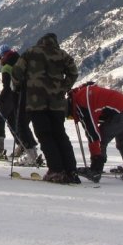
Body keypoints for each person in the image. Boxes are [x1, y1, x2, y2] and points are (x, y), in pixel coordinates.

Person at [12, 32, 80, 184]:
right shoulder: (62, 55)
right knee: (60, 135)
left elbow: (16, 72)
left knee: (45, 135)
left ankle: (56, 170)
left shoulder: (30, 53)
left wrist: (18, 85)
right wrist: (63, 87)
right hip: (57, 104)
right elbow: (74, 72)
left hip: (36, 103)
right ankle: (71, 170)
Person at [68, 81, 123, 183]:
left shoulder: (82, 104)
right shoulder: (80, 94)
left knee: (101, 139)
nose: (73, 119)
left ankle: (96, 171)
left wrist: (96, 160)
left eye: (70, 117)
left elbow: (93, 133)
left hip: (121, 113)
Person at [0, 44, 41, 165]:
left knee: (18, 124)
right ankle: (31, 151)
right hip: (33, 95)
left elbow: (7, 89)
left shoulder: (6, 67)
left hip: (18, 97)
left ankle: (29, 154)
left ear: (2, 56)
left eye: (0, 57)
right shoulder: (21, 61)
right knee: (21, 123)